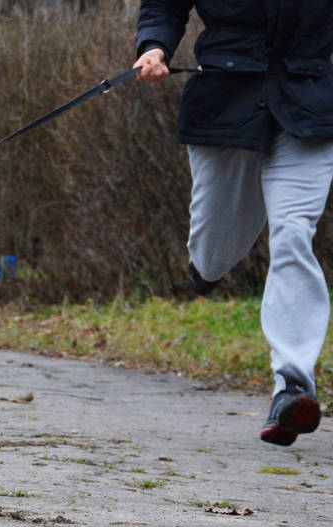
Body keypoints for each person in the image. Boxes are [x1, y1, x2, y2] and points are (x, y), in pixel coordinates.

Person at [133, 1, 333, 447]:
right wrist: (155, 48)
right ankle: (206, 269)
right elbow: (163, 6)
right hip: (225, 101)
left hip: (310, 103)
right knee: (217, 247)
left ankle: (293, 388)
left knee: (293, 233)